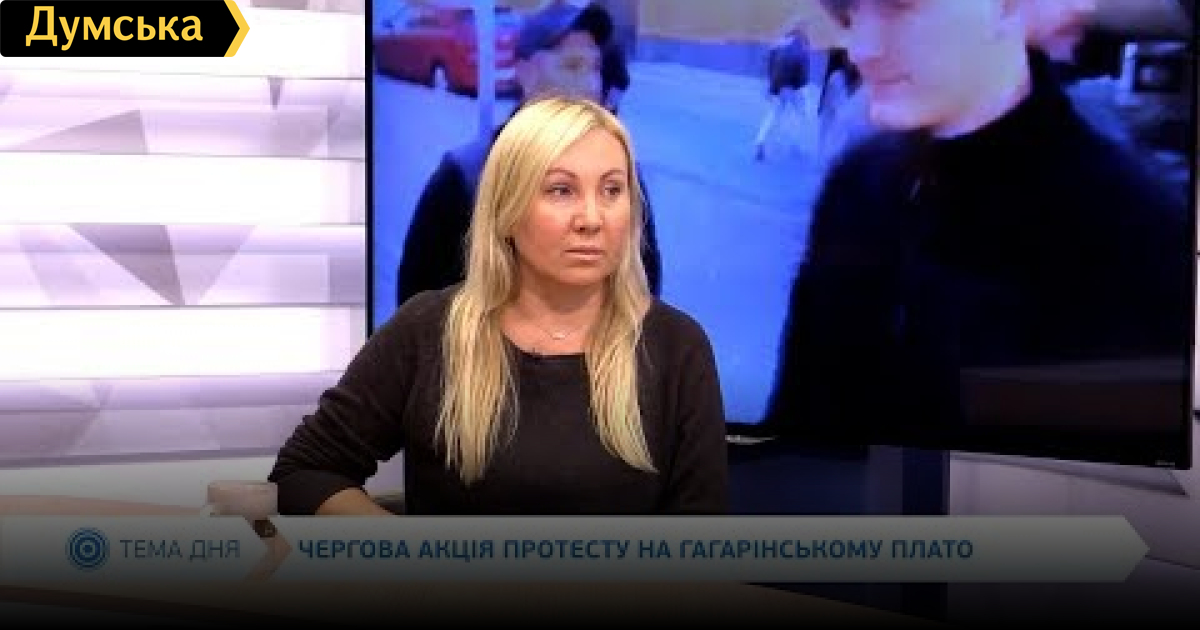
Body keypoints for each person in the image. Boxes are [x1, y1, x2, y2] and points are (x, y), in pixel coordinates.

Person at [270, 96, 729, 515]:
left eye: (612, 190)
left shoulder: (677, 347)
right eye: (561, 190)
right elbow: (307, 470)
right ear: (508, 207)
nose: (592, 219)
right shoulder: (427, 331)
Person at [762, 0, 1190, 440]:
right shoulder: (857, 188)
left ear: (1007, 8)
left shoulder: (1139, 242)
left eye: (901, 8)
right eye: (851, 12)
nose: (861, 49)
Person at [395, 1, 662, 308]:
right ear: (525, 72)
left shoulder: (622, 178)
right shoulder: (467, 178)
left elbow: (643, 295)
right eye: (572, 66)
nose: (590, 85)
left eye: (595, 69)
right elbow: (417, 310)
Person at [754, 23, 816, 161]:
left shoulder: (777, 45)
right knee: (803, 114)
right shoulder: (801, 49)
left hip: (776, 85)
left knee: (774, 114)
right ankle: (795, 145)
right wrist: (800, 90)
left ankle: (760, 140)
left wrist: (771, 88)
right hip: (792, 86)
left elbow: (767, 64)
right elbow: (802, 75)